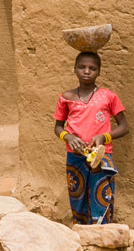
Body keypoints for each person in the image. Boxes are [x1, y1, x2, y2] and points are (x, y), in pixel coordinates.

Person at [53, 50, 129, 224]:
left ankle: (101, 234)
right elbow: (58, 127)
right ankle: (82, 235)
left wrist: (104, 137)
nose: (87, 71)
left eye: (92, 68)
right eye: (82, 67)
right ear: (74, 69)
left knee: (102, 197)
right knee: (77, 198)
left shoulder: (108, 97)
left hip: (100, 156)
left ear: (99, 72)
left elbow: (125, 127)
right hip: (75, 157)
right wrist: (69, 137)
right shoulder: (67, 97)